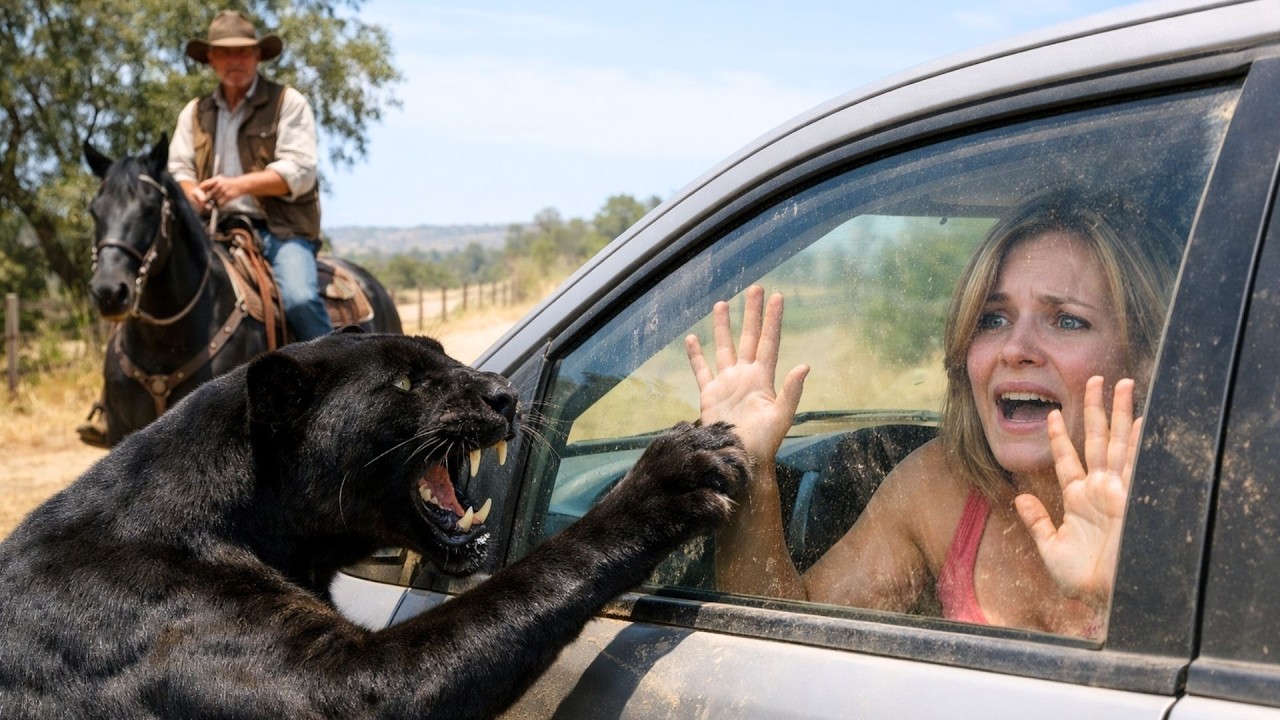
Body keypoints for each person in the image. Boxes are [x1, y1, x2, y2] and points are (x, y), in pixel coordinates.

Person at [685, 192, 1178, 638]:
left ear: (1148, 355)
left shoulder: (1195, 506)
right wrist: (745, 462)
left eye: (1068, 320)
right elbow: (782, 641)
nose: (1016, 348)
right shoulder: (939, 485)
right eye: (993, 319)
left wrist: (1122, 596)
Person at [169, 9, 331, 342]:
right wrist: (191, 192)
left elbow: (300, 170)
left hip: (280, 229)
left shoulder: (287, 102)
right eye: (225, 52)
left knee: (299, 300)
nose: (234, 59)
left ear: (258, 55)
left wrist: (238, 185)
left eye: (243, 51)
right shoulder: (194, 113)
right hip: (211, 228)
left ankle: (337, 374)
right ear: (211, 59)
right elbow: (179, 169)